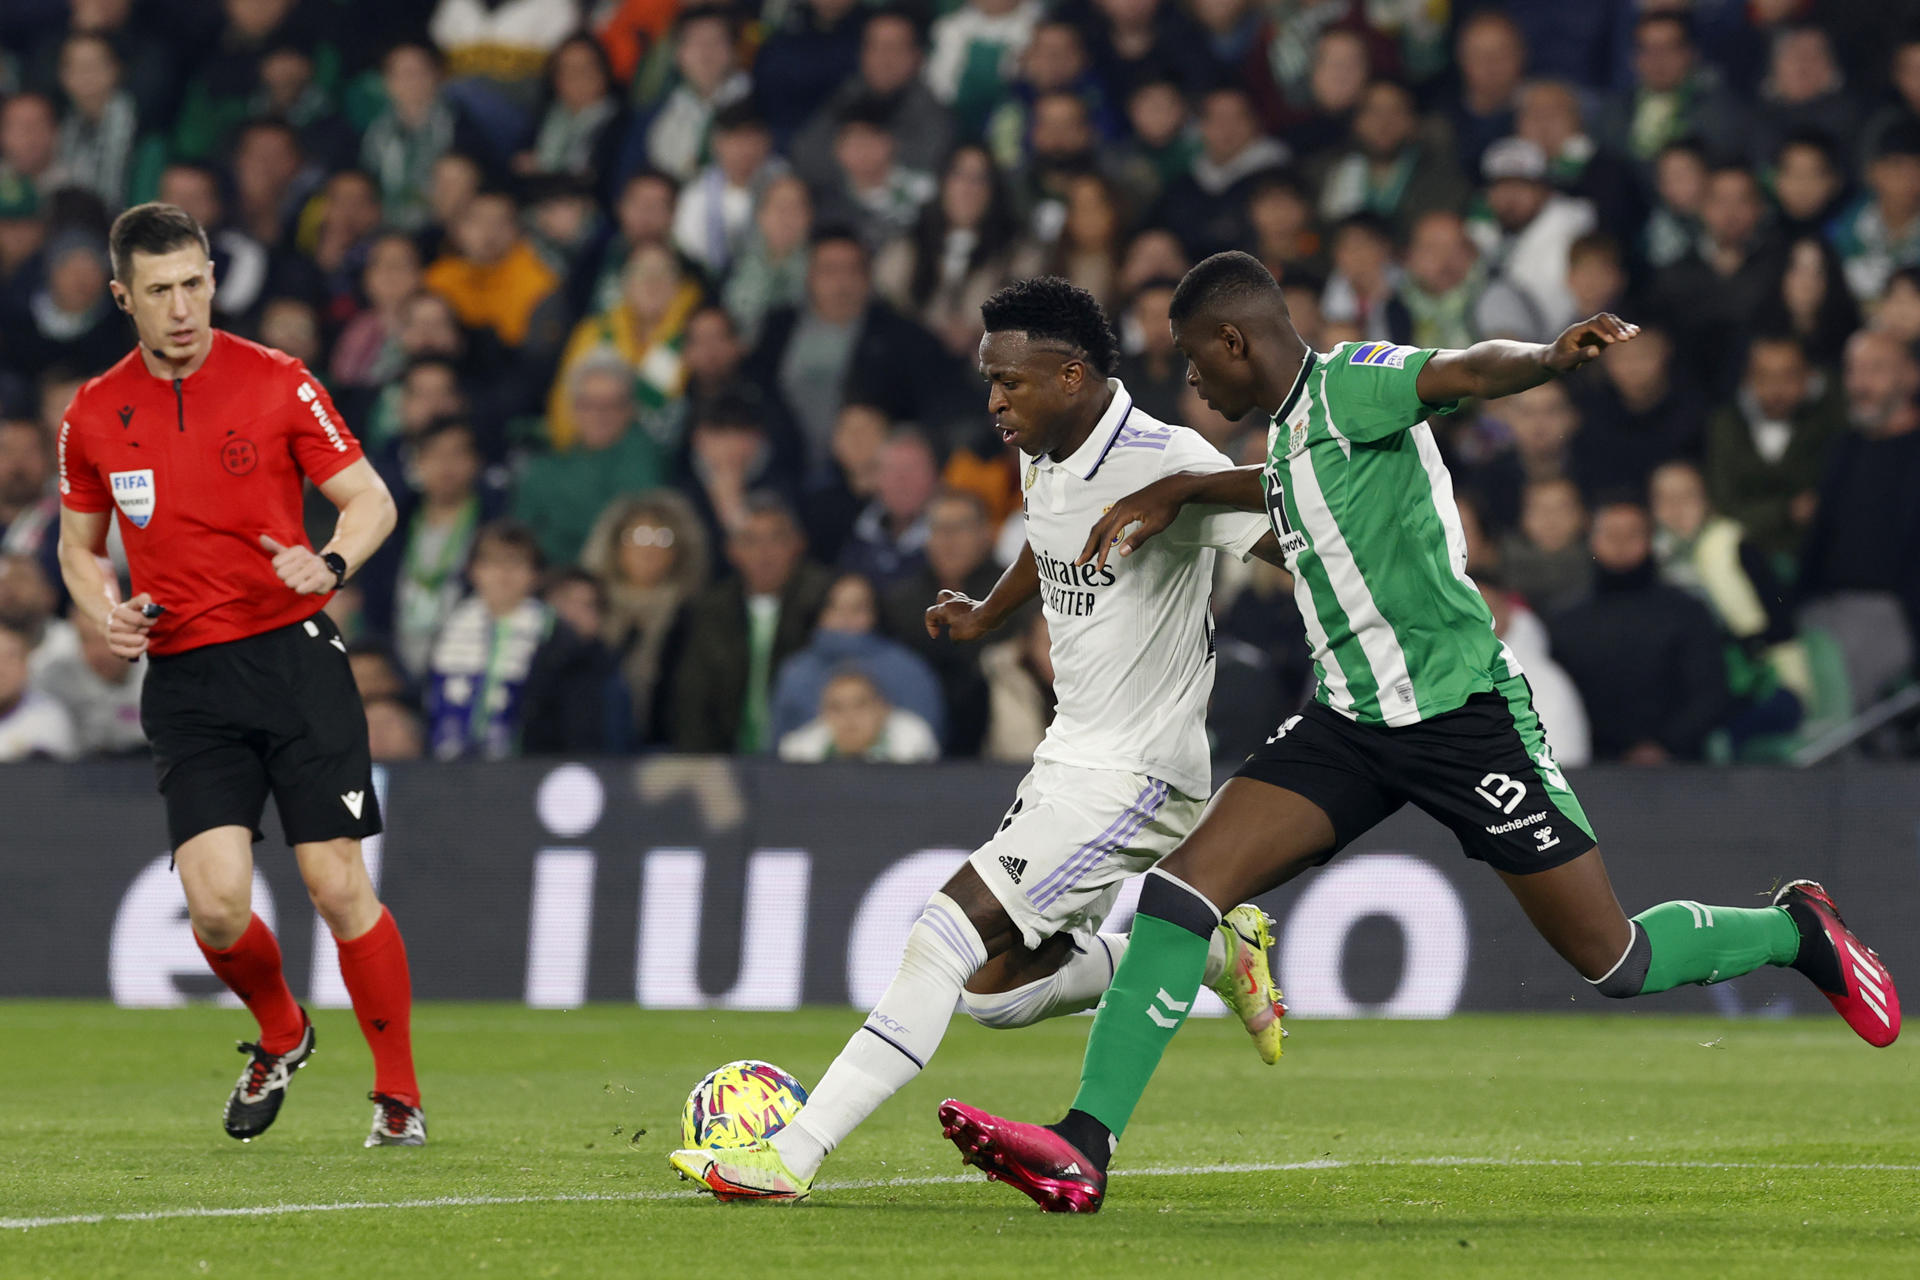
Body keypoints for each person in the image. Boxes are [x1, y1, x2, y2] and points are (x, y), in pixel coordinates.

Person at [937, 252, 1900, 1215]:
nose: (1190, 382)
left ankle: (1795, 930)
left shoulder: (1352, 384)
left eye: (1195, 360)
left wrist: (1550, 357)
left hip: (1464, 721)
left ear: (1235, 340)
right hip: (1350, 725)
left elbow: (1469, 370)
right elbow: (1282, 484)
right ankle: (1084, 1143)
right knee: (1183, 892)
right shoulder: (1290, 440)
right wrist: (1185, 491)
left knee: (1615, 962)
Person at [668, 276, 1289, 1203]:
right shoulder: (1045, 447)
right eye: (989, 380)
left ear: (1073, 374)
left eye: (1011, 382)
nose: (994, 400)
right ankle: (1206, 950)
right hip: (1068, 756)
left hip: (1138, 772)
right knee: (998, 990)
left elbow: (1291, 524)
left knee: (940, 936)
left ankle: (787, 1158)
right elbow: (1052, 533)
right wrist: (992, 611)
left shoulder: (1168, 459)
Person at [54, 204, 424, 1147]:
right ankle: (283, 1030)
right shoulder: (94, 412)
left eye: (195, 283)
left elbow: (370, 500)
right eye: (160, 290)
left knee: (335, 884)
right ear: (121, 298)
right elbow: (76, 544)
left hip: (293, 658)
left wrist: (330, 564)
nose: (183, 307)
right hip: (184, 679)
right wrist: (106, 610)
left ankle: (398, 1098)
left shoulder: (279, 383)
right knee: (218, 908)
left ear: (214, 277)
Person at [1549, 497, 1733, 763]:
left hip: (1680, 767)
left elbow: (1711, 694)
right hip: (1588, 768)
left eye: (1632, 534)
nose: (1621, 543)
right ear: (1592, 539)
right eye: (1610, 533)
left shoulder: (1687, 612)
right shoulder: (1565, 620)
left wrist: (1664, 745)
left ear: (1650, 540)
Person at [668, 494, 834, 754]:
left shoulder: (826, 605)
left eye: (776, 539)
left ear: (798, 544)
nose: (763, 553)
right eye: (750, 540)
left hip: (804, 765)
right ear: (732, 550)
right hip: (725, 765)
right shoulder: (709, 612)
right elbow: (692, 702)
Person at [769, 571, 945, 746]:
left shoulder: (909, 671)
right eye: (834, 607)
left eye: (858, 608)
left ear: (875, 614)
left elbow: (926, 745)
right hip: (809, 773)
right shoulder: (796, 672)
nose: (846, 617)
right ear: (819, 613)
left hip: (893, 772)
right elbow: (777, 746)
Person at [777, 666, 940, 762]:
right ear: (822, 713)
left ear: (883, 709)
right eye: (836, 708)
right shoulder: (800, 753)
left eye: (860, 704)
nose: (849, 717)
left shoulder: (913, 745)